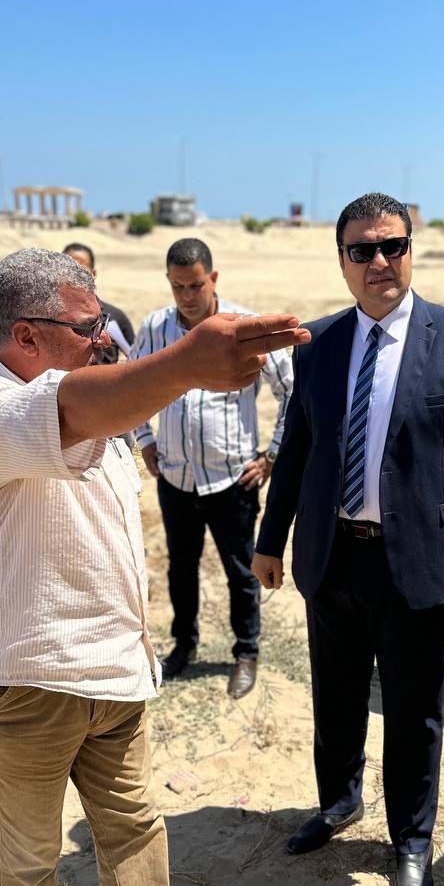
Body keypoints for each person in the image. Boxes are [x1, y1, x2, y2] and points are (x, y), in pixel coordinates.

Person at [0, 247, 305, 886]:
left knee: (134, 826)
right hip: (26, 681)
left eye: (103, 319)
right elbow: (73, 409)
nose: (104, 336)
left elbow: (98, 417)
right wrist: (188, 362)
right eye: (86, 325)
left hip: (114, 674)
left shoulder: (86, 400)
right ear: (26, 336)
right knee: (33, 842)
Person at [252, 194, 444, 886]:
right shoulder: (318, 342)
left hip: (420, 564)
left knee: (412, 711)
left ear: (410, 251)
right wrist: (271, 539)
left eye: (392, 246)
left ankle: (411, 839)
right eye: (362, 250)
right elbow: (298, 447)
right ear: (342, 260)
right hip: (332, 555)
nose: (379, 262)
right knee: (335, 698)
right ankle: (338, 802)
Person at [131, 238, 292, 700]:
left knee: (241, 570)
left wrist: (272, 455)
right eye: (178, 286)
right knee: (181, 569)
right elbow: (133, 382)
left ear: (213, 278)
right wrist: (145, 439)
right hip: (176, 478)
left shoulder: (243, 327)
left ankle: (246, 651)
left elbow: (291, 390)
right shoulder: (155, 327)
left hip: (233, 479)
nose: (187, 295)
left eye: (196, 285)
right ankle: (184, 645)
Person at [62, 242, 134, 362]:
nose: (73, 274)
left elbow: (136, 357)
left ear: (93, 273)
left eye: (81, 269)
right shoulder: (49, 315)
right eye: (68, 268)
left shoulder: (115, 316)